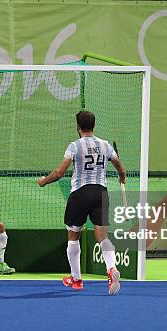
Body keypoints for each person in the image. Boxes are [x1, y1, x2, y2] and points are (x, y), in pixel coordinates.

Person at [38, 111, 125, 295]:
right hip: (100, 192)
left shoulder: (74, 146)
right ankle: (111, 270)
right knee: (103, 237)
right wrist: (122, 178)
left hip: (80, 192)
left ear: (78, 127)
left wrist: (44, 181)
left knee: (73, 235)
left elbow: (60, 172)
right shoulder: (105, 145)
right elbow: (120, 167)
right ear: (94, 126)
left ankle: (76, 279)